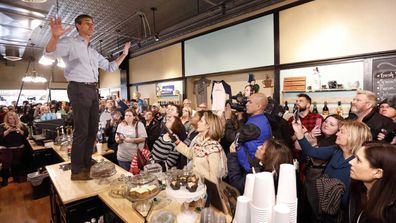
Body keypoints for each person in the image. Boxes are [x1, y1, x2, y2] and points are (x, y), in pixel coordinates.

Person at [45, 15, 131, 180]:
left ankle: (86, 161)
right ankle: (77, 170)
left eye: (93, 23)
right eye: (87, 23)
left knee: (92, 129)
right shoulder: (70, 42)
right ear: (78, 25)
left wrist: (124, 54)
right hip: (78, 87)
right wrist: (55, 36)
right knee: (82, 130)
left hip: (92, 89)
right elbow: (49, 54)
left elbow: (111, 67)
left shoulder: (92, 51)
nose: (91, 26)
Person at [292, 120, 372, 221]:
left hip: (341, 215)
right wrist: (299, 132)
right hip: (322, 208)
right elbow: (310, 151)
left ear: (353, 137)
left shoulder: (360, 163)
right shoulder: (336, 150)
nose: (337, 134)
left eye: (341, 132)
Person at [174, 111, 227, 185]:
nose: (198, 123)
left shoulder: (213, 149)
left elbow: (214, 178)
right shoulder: (200, 142)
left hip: (204, 189)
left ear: (208, 125)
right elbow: (191, 154)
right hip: (194, 184)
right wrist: (177, 142)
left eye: (201, 121)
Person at [349, 143, 396, 223]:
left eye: (358, 160)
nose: (350, 162)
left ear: (378, 173)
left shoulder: (391, 213)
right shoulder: (358, 188)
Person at [228, 138, 293, 193]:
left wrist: (232, 155)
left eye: (262, 148)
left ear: (269, 157)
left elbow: (236, 185)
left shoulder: (259, 176)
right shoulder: (278, 174)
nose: (258, 147)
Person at [236, 93, 272, 173]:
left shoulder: (256, 125)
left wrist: (227, 120)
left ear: (259, 106)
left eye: (250, 102)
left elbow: (235, 137)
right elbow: (244, 131)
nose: (246, 104)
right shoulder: (258, 118)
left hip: (250, 168)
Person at [0, 112, 29, 186]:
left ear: (16, 118)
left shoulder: (21, 125)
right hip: (6, 147)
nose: (12, 120)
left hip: (18, 147)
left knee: (16, 163)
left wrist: (19, 130)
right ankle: (5, 180)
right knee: (6, 163)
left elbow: (26, 135)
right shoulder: (2, 126)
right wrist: (8, 131)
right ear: (7, 119)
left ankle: (15, 177)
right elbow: (0, 137)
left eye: (13, 118)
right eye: (10, 119)